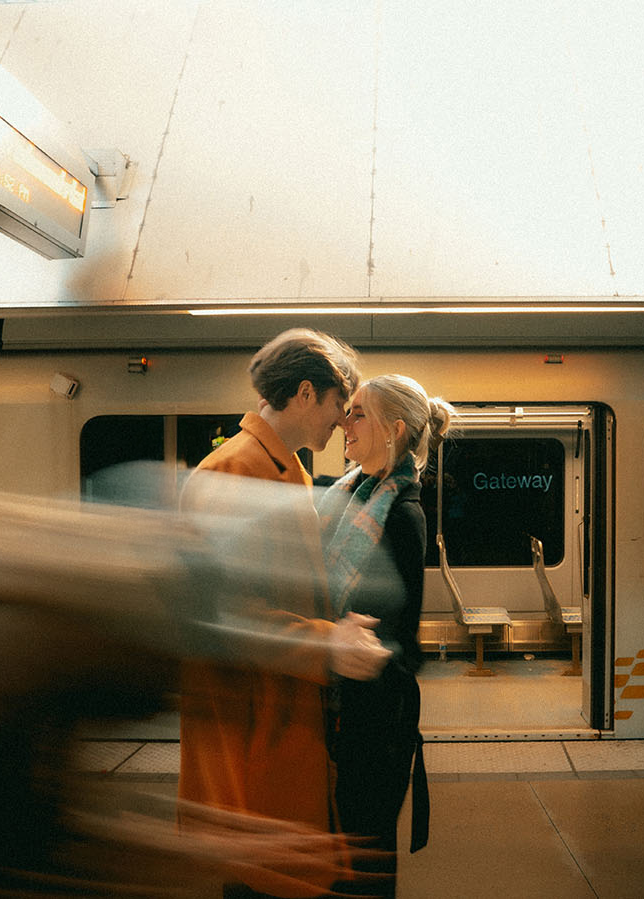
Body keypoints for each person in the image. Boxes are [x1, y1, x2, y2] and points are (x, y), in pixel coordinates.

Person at [178, 328, 390, 899]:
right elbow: (225, 615)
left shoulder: (284, 468)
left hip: (280, 716)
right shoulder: (235, 471)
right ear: (304, 393)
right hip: (251, 726)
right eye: (339, 408)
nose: (344, 425)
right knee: (260, 883)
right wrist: (329, 643)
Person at [317, 374, 451, 897]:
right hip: (354, 715)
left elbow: (391, 640)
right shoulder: (355, 494)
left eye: (357, 414)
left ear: (393, 430)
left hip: (371, 724)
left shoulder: (400, 514)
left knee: (361, 865)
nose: (343, 423)